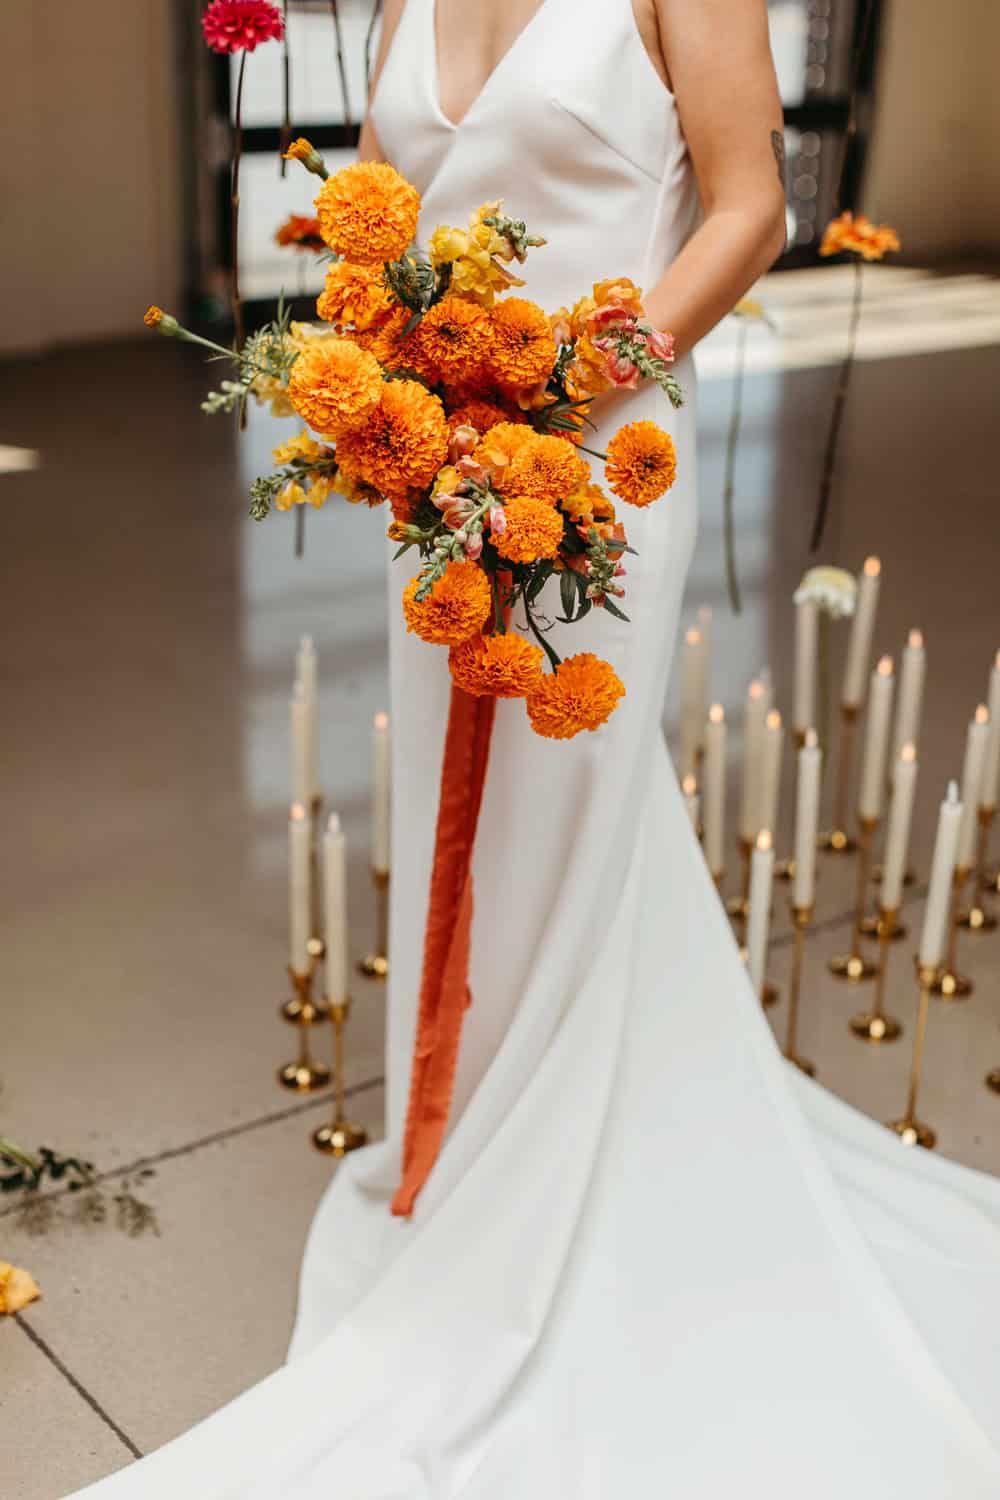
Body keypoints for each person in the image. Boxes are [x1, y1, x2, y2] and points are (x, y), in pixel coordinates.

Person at [76, 2, 1000, 1494]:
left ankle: (555, 1173)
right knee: (462, 818)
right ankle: (460, 1138)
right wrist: (375, 370)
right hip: (437, 462)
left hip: (599, 458)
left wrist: (574, 377)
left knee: (568, 806)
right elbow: (378, 194)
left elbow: (755, 208)